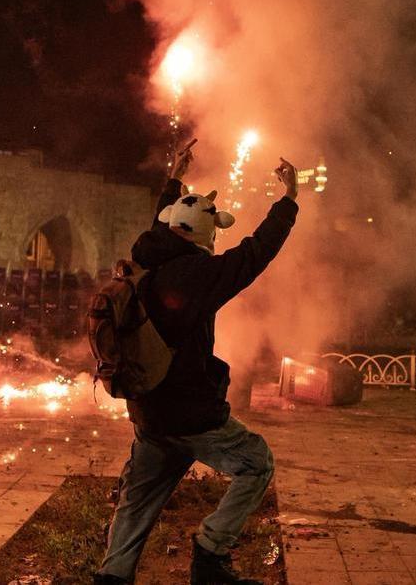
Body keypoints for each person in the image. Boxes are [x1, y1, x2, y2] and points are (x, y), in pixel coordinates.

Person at [95, 144, 299, 585]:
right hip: (190, 412)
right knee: (256, 462)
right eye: (211, 235)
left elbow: (161, 222)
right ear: (203, 236)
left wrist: (174, 180)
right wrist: (288, 201)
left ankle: (112, 576)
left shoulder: (146, 261)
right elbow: (254, 254)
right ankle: (210, 552)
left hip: (150, 409)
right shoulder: (196, 274)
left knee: (138, 501)